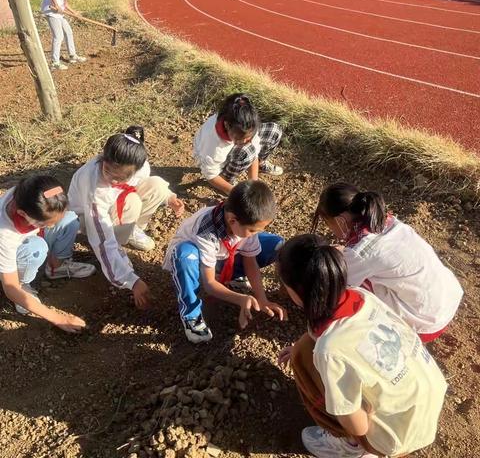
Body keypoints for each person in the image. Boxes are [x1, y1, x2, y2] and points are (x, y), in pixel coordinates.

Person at [277, 234, 448, 458]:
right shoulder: (361, 296)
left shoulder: (330, 350)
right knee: (305, 347)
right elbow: (323, 332)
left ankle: (350, 447)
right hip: (425, 401)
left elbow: (360, 426)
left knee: (303, 357)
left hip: (396, 438)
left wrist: (362, 413)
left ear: (297, 292)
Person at [311, 183, 462, 342]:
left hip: (426, 326)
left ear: (340, 221)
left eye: (328, 224)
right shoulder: (390, 222)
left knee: (350, 287)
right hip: (448, 301)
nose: (329, 229)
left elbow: (334, 288)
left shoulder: (359, 253)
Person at [68, 125, 184, 309]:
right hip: (86, 219)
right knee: (132, 202)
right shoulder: (94, 186)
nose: (112, 180)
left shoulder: (141, 166)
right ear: (102, 158)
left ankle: (131, 229)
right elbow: (102, 239)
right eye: (107, 171)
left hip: (116, 203)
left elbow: (142, 182)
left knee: (158, 186)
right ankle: (120, 244)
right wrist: (130, 280)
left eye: (120, 176)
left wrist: (169, 197)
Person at [163, 180, 286, 343]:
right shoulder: (206, 232)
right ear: (232, 220)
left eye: (258, 230)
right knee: (186, 255)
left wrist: (262, 299)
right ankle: (191, 314)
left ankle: (230, 277)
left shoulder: (241, 223)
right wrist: (240, 299)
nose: (253, 234)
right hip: (197, 267)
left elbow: (251, 262)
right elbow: (209, 284)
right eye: (252, 230)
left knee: (276, 244)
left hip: (221, 258)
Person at [0, 175, 96, 332]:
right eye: (45, 223)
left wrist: (51, 223)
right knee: (36, 249)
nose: (51, 227)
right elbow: (9, 288)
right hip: (19, 254)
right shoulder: (5, 233)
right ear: (23, 214)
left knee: (69, 220)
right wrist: (59, 319)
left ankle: (55, 267)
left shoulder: (31, 192)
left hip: (31, 235)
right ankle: (23, 285)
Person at [193, 93, 283, 195]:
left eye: (250, 137)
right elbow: (210, 176)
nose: (247, 141)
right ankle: (226, 179)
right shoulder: (214, 146)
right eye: (241, 139)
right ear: (227, 125)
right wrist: (234, 192)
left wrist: (254, 185)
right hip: (215, 163)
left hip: (234, 145)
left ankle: (260, 165)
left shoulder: (246, 123)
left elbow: (254, 149)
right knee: (247, 151)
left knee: (274, 131)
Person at [40, 0, 87, 71]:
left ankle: (72, 55)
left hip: (58, 13)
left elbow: (64, 2)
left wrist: (74, 13)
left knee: (68, 32)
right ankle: (55, 63)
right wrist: (56, 5)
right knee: (58, 36)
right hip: (51, 11)